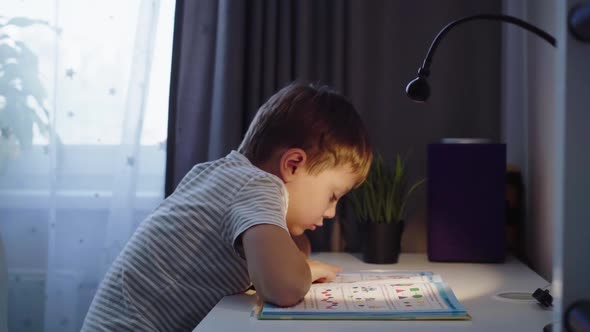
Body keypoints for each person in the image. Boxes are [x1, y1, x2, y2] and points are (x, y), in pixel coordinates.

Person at [81, 82, 373, 331]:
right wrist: (305, 273)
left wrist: (297, 257)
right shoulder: (258, 185)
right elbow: (283, 287)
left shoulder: (219, 175)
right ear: (293, 165)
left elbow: (293, 251)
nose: (331, 212)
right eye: (333, 195)